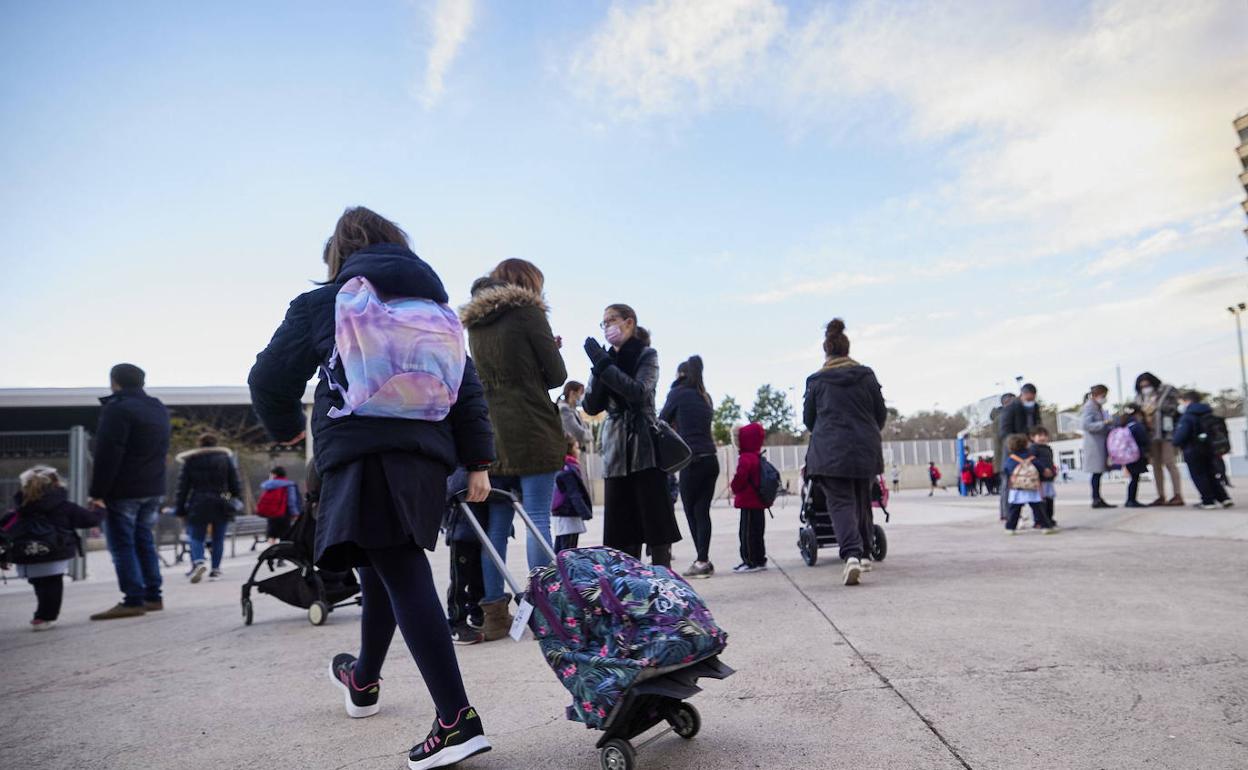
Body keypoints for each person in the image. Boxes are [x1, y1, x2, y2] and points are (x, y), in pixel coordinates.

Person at [248, 206, 495, 769]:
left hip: (362, 457)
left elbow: (267, 379)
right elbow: (467, 387)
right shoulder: (434, 310)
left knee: (401, 571)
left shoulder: (328, 303)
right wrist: (477, 461)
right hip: (427, 459)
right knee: (381, 566)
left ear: (340, 252)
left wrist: (286, 426)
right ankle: (362, 681)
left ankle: (457, 721)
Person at [459, 260, 567, 637]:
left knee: (497, 526)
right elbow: (556, 375)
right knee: (538, 517)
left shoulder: (475, 322)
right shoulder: (528, 313)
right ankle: (543, 609)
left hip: (493, 434)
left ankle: (494, 616)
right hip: (531, 426)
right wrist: (548, 351)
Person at [582, 304, 682, 567]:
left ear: (629, 322)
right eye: (603, 323)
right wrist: (597, 369)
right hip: (614, 451)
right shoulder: (606, 362)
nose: (607, 328)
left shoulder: (647, 355)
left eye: (611, 320)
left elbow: (638, 392)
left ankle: (663, 580)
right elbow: (591, 406)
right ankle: (627, 586)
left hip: (645, 447)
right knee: (620, 529)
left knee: (656, 524)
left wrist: (604, 365)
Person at [802, 319, 888, 586]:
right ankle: (863, 555)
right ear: (847, 349)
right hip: (865, 447)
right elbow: (880, 413)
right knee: (863, 499)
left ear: (826, 351)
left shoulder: (816, 380)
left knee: (840, 503)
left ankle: (851, 554)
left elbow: (809, 420)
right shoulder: (867, 375)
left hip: (830, 450)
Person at [87, 363, 171, 621]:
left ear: (114, 382)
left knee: (123, 545)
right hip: (153, 487)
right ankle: (153, 596)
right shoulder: (157, 407)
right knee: (143, 539)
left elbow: (108, 452)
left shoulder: (118, 409)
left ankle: (133, 599)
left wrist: (97, 492)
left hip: (124, 489)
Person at [1, 466, 103, 630]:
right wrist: (100, 509)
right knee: (52, 583)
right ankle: (44, 617)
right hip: (55, 551)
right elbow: (90, 520)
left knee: (39, 583)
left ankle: (42, 615)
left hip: (27, 555)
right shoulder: (64, 506)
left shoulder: (20, 508)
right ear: (56, 483)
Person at [659, 355, 719, 579]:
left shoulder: (678, 393)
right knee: (703, 511)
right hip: (710, 459)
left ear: (680, 375)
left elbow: (661, 420)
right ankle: (703, 559)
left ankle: (702, 561)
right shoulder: (705, 396)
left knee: (692, 513)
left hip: (691, 461)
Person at [174, 433, 243, 583]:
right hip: (221, 499)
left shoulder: (190, 461)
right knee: (218, 538)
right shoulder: (226, 459)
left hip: (198, 500)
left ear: (200, 444)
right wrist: (230, 499)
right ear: (215, 443)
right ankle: (215, 570)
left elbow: (183, 487)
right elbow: (235, 486)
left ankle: (199, 561)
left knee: (196, 536)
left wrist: (180, 508)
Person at [1172, 391, 1233, 510]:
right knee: (1211, 474)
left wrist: (1176, 441)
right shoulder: (1208, 413)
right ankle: (1224, 498)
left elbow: (1179, 437)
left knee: (1199, 476)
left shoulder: (1188, 416)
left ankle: (1208, 501)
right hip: (1210, 449)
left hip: (1193, 450)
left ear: (1187, 401)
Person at [1135, 372, 1184, 506]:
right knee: (1156, 465)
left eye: (1147, 385)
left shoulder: (1167, 391)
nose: (1145, 388)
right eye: (1142, 386)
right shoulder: (1140, 398)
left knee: (1170, 463)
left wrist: (1156, 408)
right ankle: (1161, 495)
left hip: (1166, 433)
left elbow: (1174, 408)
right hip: (1150, 435)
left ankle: (1177, 495)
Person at [730, 422, 768, 573]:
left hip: (748, 502)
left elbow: (740, 479)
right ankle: (760, 559)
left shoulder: (745, 458)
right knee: (758, 533)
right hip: (759, 502)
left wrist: (734, 487)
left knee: (746, 533)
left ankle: (749, 561)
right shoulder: (758, 457)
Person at [997, 385, 1039, 519]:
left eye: (1033, 398)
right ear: (1022, 395)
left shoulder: (1034, 408)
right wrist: (1019, 442)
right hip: (1013, 450)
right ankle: (1008, 514)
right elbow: (1004, 432)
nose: (1030, 401)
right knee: (1009, 483)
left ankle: (1038, 515)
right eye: (1028, 398)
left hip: (1030, 449)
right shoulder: (1010, 409)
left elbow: (1037, 425)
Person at [1003, 434, 1057, 534]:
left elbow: (1006, 470)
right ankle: (1045, 526)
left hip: (1017, 489)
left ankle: (1010, 528)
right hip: (1032, 487)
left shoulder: (1011, 459)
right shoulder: (1031, 458)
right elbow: (1041, 468)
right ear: (1026, 445)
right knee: (1038, 508)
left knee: (1014, 509)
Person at [551, 438, 593, 551]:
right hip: (568, 514)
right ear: (570, 450)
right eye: (576, 447)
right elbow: (574, 494)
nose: (578, 450)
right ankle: (562, 569)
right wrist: (585, 513)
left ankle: (555, 568)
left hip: (561, 513)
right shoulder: (569, 470)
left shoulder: (561, 466)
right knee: (568, 550)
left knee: (560, 547)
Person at [1081, 385, 1116, 509]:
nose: (1105, 398)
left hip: (1100, 442)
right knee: (1096, 472)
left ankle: (1098, 498)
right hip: (1094, 444)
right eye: (1103, 396)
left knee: (1098, 473)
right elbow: (1086, 425)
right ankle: (1096, 498)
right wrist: (1104, 423)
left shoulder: (1098, 407)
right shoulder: (1089, 407)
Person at [258, 466, 302, 545]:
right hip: (284, 514)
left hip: (271, 514)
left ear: (274, 475)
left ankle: (272, 552)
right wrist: (295, 513)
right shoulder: (289, 484)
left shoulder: (268, 485)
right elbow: (291, 501)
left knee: (271, 535)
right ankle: (282, 554)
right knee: (285, 536)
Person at [1120, 406, 1151, 508]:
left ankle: (1131, 499)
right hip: (1137, 456)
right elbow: (1145, 440)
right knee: (1135, 478)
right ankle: (1131, 500)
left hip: (1127, 456)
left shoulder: (1125, 426)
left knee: (1133, 478)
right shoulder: (1137, 426)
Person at [1029, 426, 1058, 526]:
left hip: (1049, 479)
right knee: (1040, 501)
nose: (1043, 437)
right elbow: (1033, 461)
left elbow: (1051, 462)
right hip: (1039, 479)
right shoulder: (1033, 448)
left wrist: (1053, 471)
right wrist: (1043, 469)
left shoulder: (1048, 448)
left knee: (1050, 499)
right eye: (1039, 435)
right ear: (1033, 437)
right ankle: (1039, 520)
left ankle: (1049, 518)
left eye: (1045, 435)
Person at [558, 381, 594, 449]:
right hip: (569, 450)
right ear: (572, 393)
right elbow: (577, 432)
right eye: (581, 393)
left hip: (575, 449)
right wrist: (589, 435)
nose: (582, 396)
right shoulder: (564, 409)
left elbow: (583, 428)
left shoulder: (574, 411)